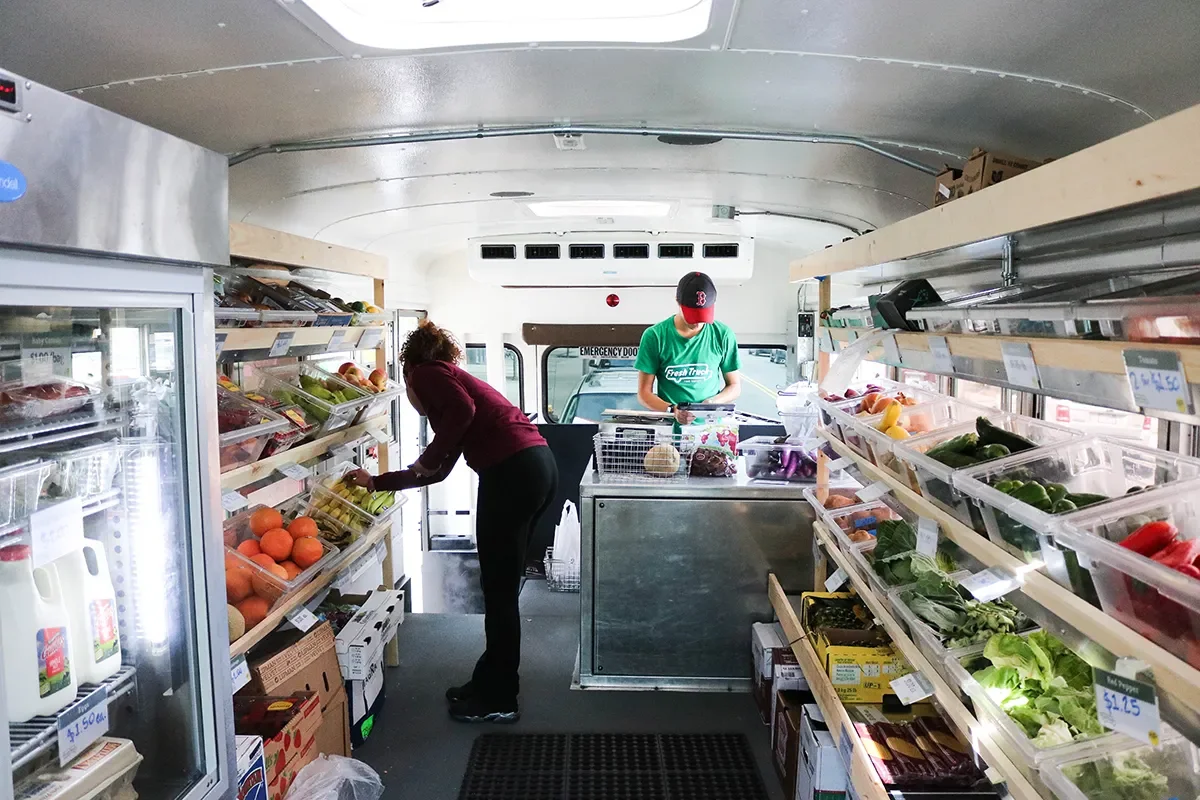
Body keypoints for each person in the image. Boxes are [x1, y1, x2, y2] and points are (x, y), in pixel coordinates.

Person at [346, 322, 558, 724]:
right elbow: (439, 471)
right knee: (500, 588)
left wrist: (427, 456)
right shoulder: (454, 389)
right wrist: (377, 482)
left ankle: (500, 698)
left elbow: (457, 422)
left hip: (512, 473)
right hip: (536, 467)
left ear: (407, 374)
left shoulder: (426, 374)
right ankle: (488, 680)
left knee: (498, 592)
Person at [635, 271, 741, 424]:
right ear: (678, 302)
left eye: (703, 316)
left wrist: (711, 403)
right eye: (693, 315)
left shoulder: (723, 335)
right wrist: (672, 410)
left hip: (711, 432)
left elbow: (734, 386)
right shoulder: (655, 336)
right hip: (669, 431)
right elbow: (644, 393)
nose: (697, 323)